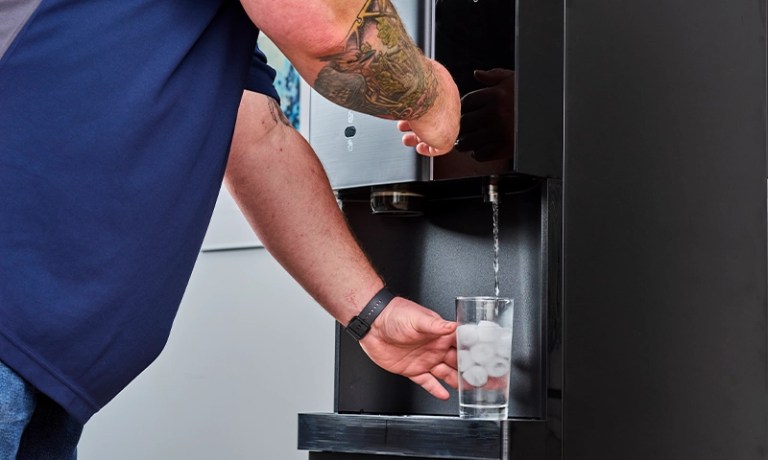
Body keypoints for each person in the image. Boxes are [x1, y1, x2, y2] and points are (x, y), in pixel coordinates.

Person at [0, 0, 460, 458]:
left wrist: (371, 315)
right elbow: (323, 24)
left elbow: (257, 136)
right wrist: (432, 98)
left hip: (43, 371)